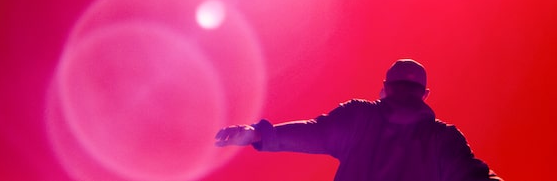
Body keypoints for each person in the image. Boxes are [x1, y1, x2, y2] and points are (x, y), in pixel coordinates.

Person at [215, 58, 503, 181]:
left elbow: (314, 133)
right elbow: (474, 177)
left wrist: (257, 133)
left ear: (385, 87)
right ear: (425, 95)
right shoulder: (443, 138)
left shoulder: (360, 118)